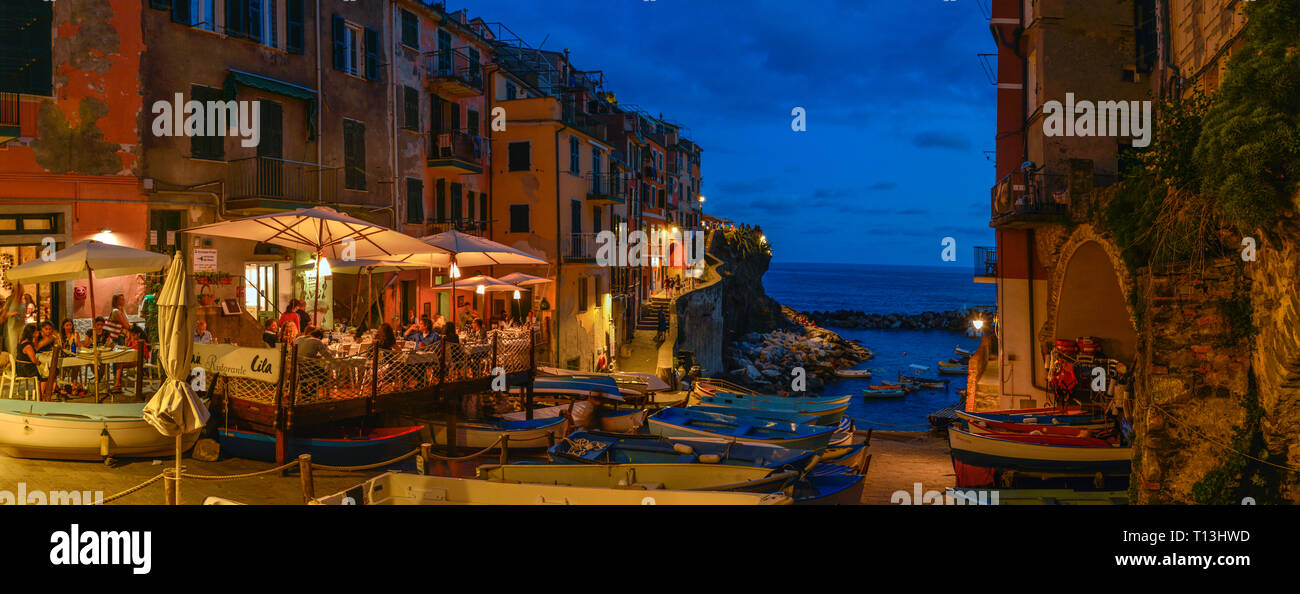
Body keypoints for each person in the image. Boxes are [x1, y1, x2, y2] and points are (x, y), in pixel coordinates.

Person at [113, 325, 149, 391]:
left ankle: (117, 384)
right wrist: (127, 341)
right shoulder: (133, 342)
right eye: (132, 335)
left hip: (139, 361)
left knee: (119, 364)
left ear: (139, 334)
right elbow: (127, 349)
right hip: (132, 360)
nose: (132, 336)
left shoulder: (142, 342)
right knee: (119, 363)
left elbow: (145, 355)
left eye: (133, 335)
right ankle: (118, 384)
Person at [14, 325, 46, 398]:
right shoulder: (28, 346)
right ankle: (41, 395)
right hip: (26, 370)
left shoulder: (21, 342)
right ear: (32, 333)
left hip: (20, 368)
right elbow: (34, 360)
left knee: (44, 371)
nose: (38, 333)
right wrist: (40, 363)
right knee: (45, 374)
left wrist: (35, 339)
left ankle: (46, 392)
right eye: (36, 332)